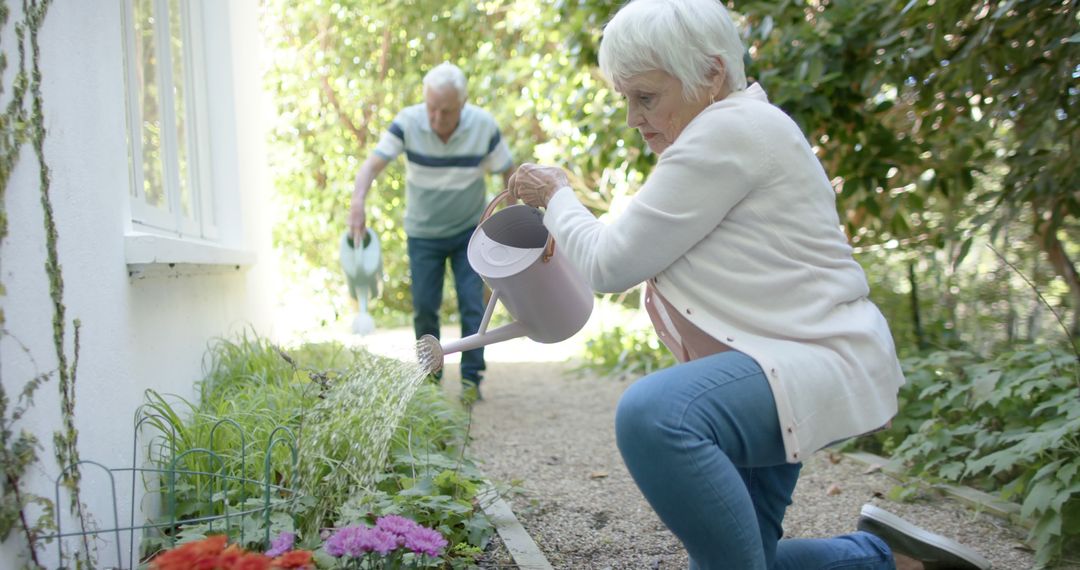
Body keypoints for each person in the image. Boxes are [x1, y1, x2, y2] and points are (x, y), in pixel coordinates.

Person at [506, 1, 992, 569]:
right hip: (767, 366)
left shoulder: (730, 130)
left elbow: (611, 263)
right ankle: (889, 560)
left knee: (656, 416)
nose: (634, 119)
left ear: (711, 75)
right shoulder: (730, 132)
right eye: (627, 100)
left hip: (800, 363)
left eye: (646, 97)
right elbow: (628, 246)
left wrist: (558, 194)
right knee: (740, 560)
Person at [349, 62, 514, 402]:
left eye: (447, 110)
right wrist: (358, 202)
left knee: (473, 305)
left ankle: (471, 382)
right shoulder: (408, 122)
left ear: (463, 104)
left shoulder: (483, 127)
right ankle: (430, 384)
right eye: (432, 108)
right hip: (423, 234)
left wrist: (507, 225)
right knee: (425, 307)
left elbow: (508, 176)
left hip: (471, 232)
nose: (437, 118)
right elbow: (372, 165)